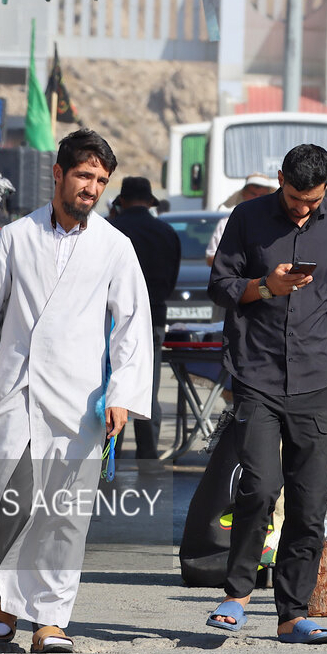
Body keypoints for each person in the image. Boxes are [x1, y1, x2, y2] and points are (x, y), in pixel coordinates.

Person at [0, 128, 156, 653]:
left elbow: (133, 326)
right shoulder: (16, 236)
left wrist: (122, 395)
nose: (92, 188)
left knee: (66, 512)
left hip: (82, 399)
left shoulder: (115, 247)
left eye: (101, 180)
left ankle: (51, 620)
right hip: (15, 392)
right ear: (58, 174)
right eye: (84, 175)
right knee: (11, 501)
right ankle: (1, 598)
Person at [206, 143, 327, 645]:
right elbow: (220, 286)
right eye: (293, 197)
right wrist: (265, 287)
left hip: (314, 379)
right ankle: (237, 594)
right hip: (256, 375)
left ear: (325, 189)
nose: (302, 208)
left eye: (311, 200)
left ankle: (291, 614)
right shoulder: (247, 217)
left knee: (310, 503)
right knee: (261, 487)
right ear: (280, 178)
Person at [109, 176, 181, 473]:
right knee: (145, 386)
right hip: (154, 317)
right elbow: (172, 280)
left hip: (110, 320)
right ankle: (148, 456)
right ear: (150, 202)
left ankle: (109, 455)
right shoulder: (166, 232)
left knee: (111, 386)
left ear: (121, 200)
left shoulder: (110, 230)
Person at [205, 173, 277, 267]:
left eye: (262, 195)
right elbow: (211, 258)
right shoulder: (227, 222)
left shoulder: (277, 222)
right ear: (243, 194)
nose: (257, 198)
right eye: (253, 194)